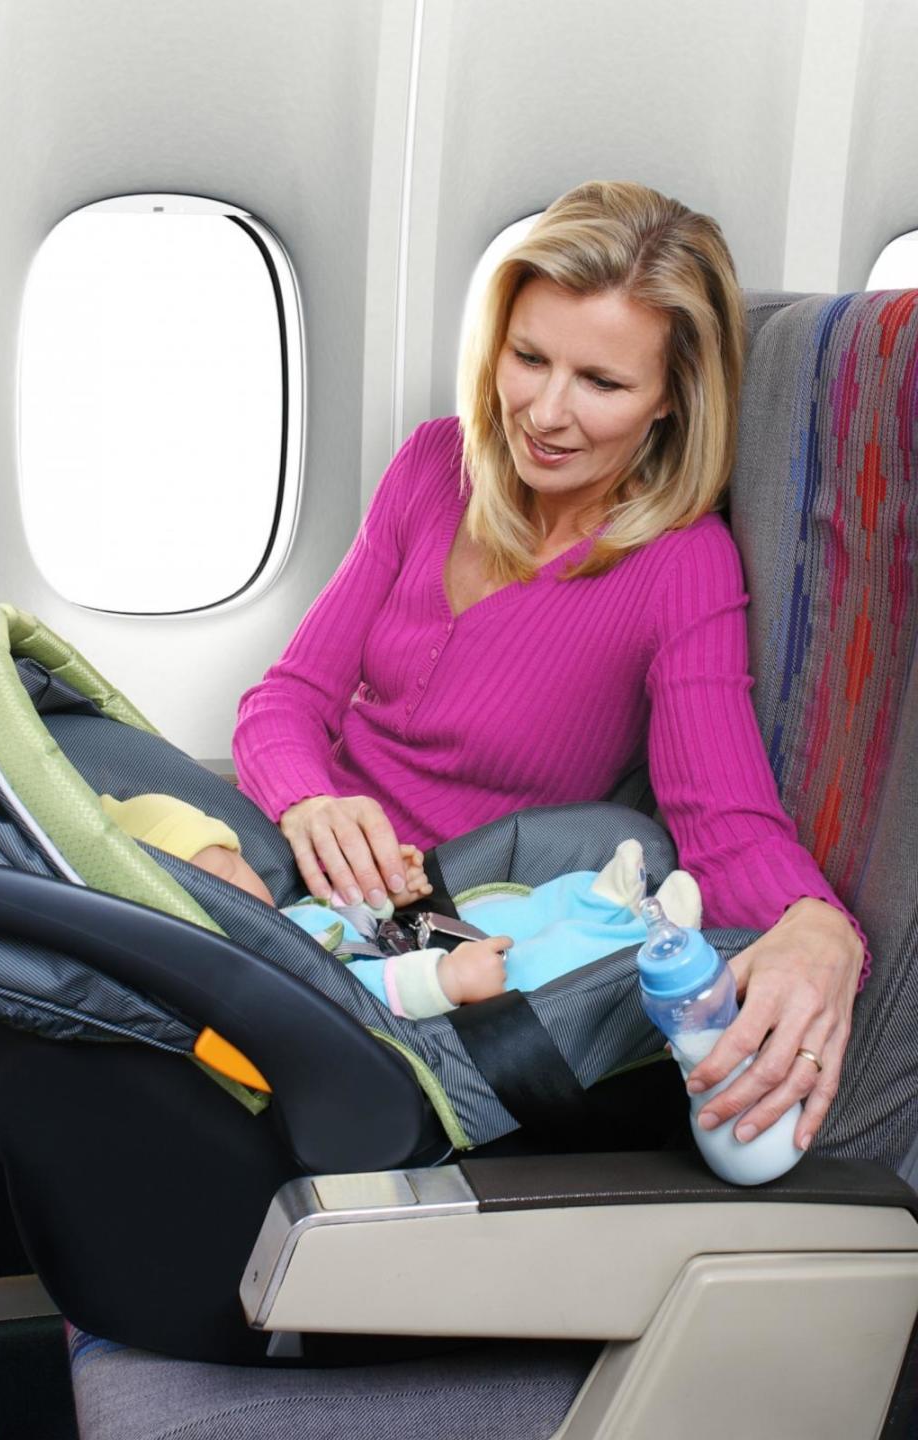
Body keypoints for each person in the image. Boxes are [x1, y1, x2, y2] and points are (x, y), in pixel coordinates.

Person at [232, 180, 866, 1152]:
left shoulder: (680, 566)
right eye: (528, 358)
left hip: (437, 931)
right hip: (311, 861)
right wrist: (306, 802)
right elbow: (288, 700)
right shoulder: (434, 465)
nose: (545, 413)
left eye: (602, 384)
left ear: (669, 403)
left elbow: (722, 822)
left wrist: (819, 928)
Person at [101, 794, 702, 1017]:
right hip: (421, 988)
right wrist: (443, 982)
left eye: (232, 865)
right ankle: (648, 938)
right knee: (535, 960)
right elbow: (357, 995)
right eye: (215, 885)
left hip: (411, 940)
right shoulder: (260, 973)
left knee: (502, 911)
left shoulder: (284, 922)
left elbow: (347, 919)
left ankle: (599, 898)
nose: (240, 890)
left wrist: (389, 894)